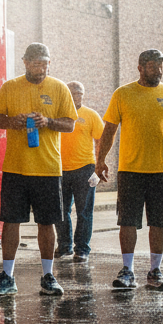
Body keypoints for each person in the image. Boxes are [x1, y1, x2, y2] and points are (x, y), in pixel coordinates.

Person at [0, 42, 77, 297]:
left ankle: (48, 276)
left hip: (48, 168)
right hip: (16, 167)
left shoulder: (58, 88)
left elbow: (70, 125)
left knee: (46, 223)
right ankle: (7, 276)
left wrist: (47, 121)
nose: (41, 68)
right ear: (25, 62)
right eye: (36, 63)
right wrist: (11, 121)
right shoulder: (10, 87)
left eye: (45, 63)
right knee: (11, 221)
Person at [95, 49, 163, 291]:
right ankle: (128, 271)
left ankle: (155, 271)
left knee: (159, 222)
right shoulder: (123, 94)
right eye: (154, 65)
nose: (159, 70)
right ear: (141, 67)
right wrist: (100, 160)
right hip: (131, 169)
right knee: (128, 222)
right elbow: (109, 130)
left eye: (162, 65)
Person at [55, 82, 104, 263]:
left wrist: (99, 166)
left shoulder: (91, 115)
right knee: (61, 211)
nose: (77, 96)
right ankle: (64, 246)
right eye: (74, 92)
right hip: (59, 170)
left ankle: (82, 249)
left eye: (80, 93)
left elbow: (101, 140)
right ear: (66, 94)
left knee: (84, 212)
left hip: (85, 169)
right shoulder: (58, 114)